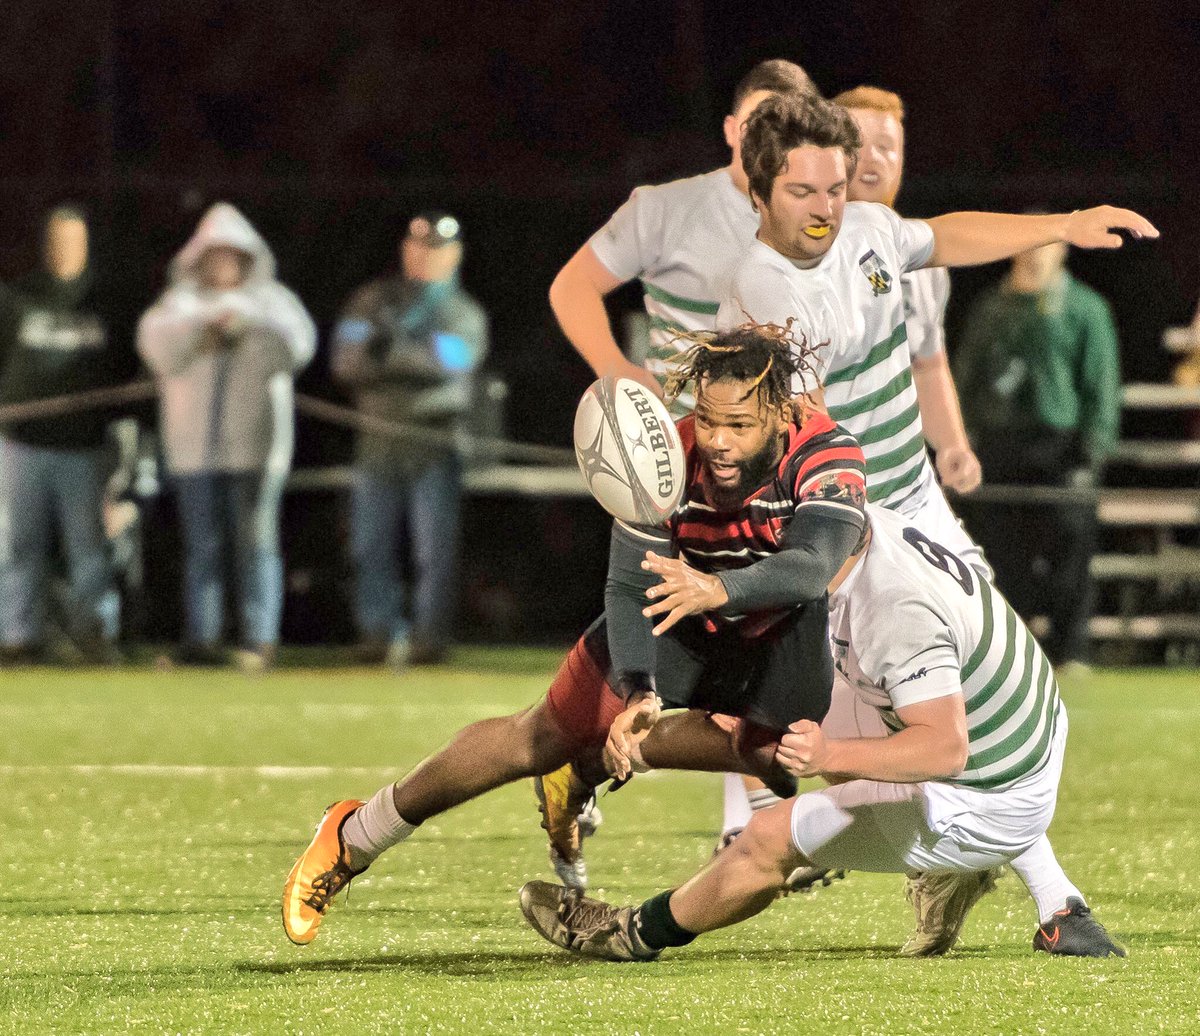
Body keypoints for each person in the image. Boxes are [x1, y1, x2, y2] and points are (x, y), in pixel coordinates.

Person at [715, 91, 1155, 954]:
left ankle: (991, 880)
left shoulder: (873, 232)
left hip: (914, 506)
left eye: (841, 180)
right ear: (767, 191)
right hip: (851, 525)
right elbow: (805, 428)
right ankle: (795, 833)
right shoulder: (764, 288)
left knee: (985, 683)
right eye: (811, 187)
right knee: (891, 708)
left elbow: (944, 234)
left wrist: (1064, 223)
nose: (833, 202)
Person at [280, 324, 868, 947]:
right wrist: (640, 691)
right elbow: (627, 588)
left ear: (782, 413)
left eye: (740, 426)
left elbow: (811, 568)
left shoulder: (827, 454)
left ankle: (585, 764)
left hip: (777, 628)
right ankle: (354, 835)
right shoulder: (664, 457)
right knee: (532, 739)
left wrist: (718, 588)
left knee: (776, 762)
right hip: (680, 621)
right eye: (709, 418)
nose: (718, 441)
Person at [519, 504, 1127, 961]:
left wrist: (831, 753)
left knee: (765, 838)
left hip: (983, 792)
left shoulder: (894, 609)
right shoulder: (866, 532)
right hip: (1026, 740)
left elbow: (945, 747)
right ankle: (1053, 901)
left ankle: (631, 934)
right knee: (759, 717)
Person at [550, 58, 814, 410]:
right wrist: (612, 366)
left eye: (785, 126)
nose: (768, 138)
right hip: (684, 446)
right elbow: (573, 287)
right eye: (756, 124)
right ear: (731, 129)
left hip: (792, 446)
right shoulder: (663, 209)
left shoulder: (832, 217)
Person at [137, 202, 316, 671]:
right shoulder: (179, 305)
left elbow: (296, 346)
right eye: (213, 257)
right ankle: (203, 636)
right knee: (202, 547)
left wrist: (244, 321)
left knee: (256, 543)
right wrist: (203, 330)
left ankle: (259, 638)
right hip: (193, 449)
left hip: (255, 449)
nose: (222, 266)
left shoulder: (271, 303)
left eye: (231, 257)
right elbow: (157, 347)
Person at [953, 238, 1121, 670]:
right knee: (999, 552)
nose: (1034, 255)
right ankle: (1010, 650)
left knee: (1071, 551)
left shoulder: (1084, 308)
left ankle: (1071, 651)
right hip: (1000, 441)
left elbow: (1101, 384)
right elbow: (964, 374)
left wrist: (1094, 452)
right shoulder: (991, 307)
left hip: (1062, 446)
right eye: (1027, 246)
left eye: (1044, 247)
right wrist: (959, 438)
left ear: (1062, 253)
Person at [331, 211, 489, 666]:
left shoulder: (463, 311)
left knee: (432, 549)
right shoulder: (370, 300)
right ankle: (377, 633)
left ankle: (429, 637)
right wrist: (417, 353)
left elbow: (455, 363)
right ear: (405, 248)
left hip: (434, 442)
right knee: (368, 545)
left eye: (436, 249)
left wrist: (390, 350)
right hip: (376, 442)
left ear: (454, 254)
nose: (424, 256)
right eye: (417, 246)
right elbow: (346, 362)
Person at [0, 205, 129, 663]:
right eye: (57, 239)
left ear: (87, 244)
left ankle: (94, 632)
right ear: (45, 244)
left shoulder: (106, 302)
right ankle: (19, 636)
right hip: (21, 443)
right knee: (20, 547)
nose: (64, 248)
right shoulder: (16, 298)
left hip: (85, 446)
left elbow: (124, 373)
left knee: (90, 547)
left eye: (73, 239)